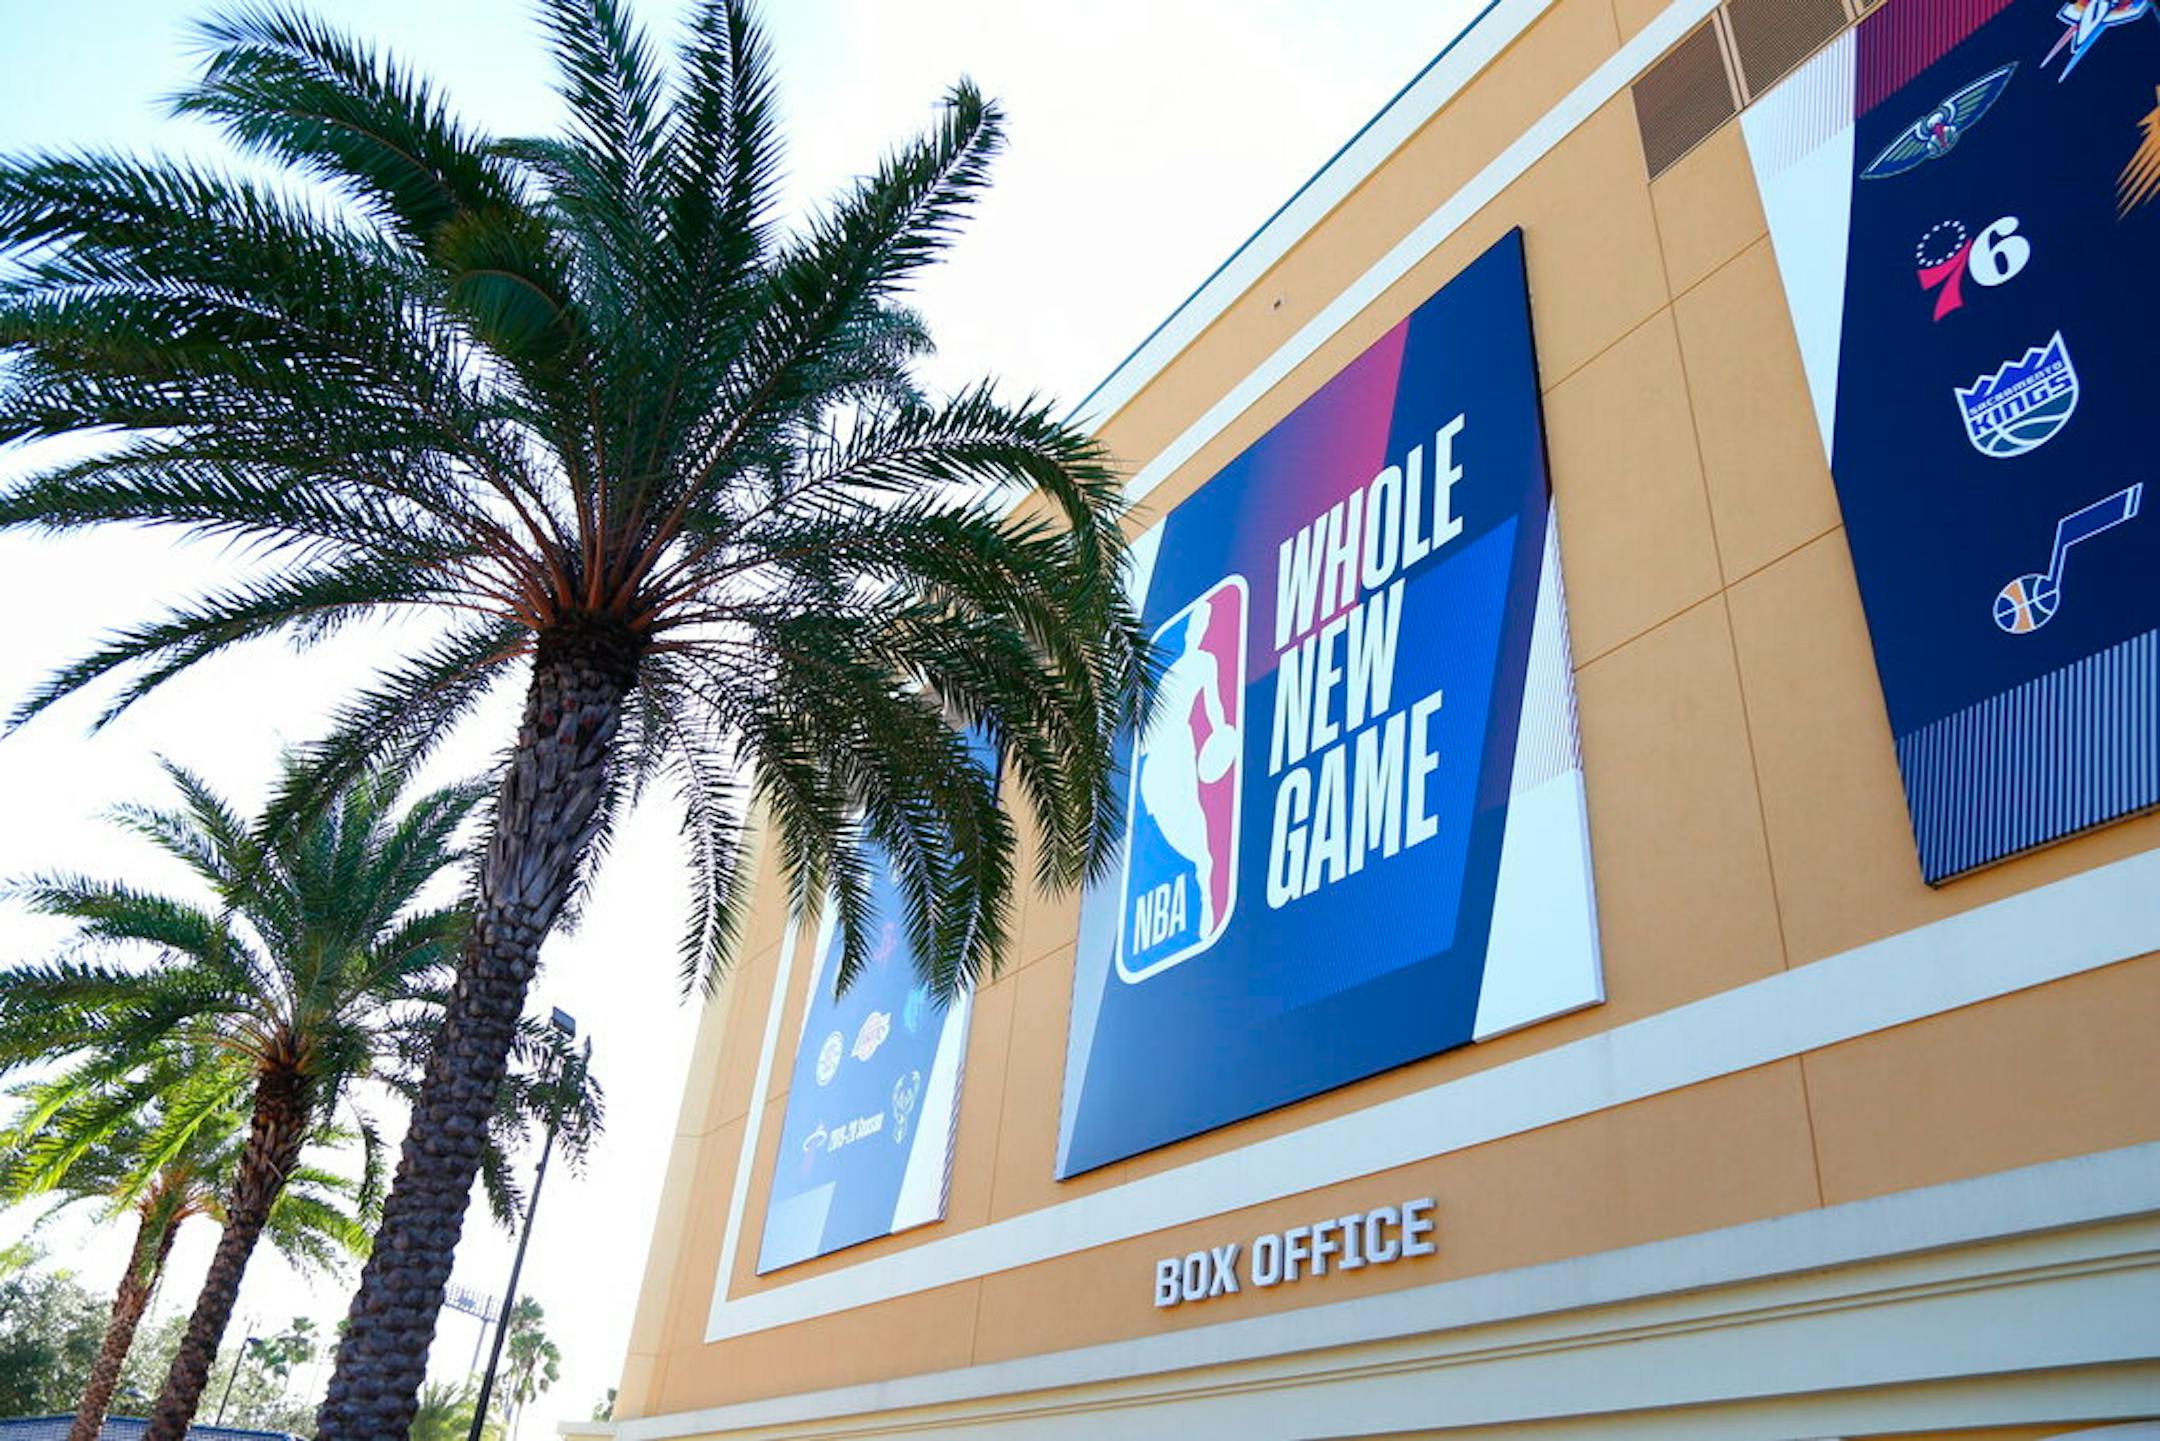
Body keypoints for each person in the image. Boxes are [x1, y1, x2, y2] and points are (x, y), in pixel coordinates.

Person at [1135, 597, 1239, 938]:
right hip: (1164, 763)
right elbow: (1153, 730)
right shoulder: (1182, 667)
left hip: (1172, 759)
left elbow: (1217, 715)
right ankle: (1206, 906)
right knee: (1196, 844)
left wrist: (1222, 741)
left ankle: (1208, 908)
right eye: (1197, 623)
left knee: (1203, 850)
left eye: (1203, 623)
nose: (1199, 629)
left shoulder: (1196, 664)